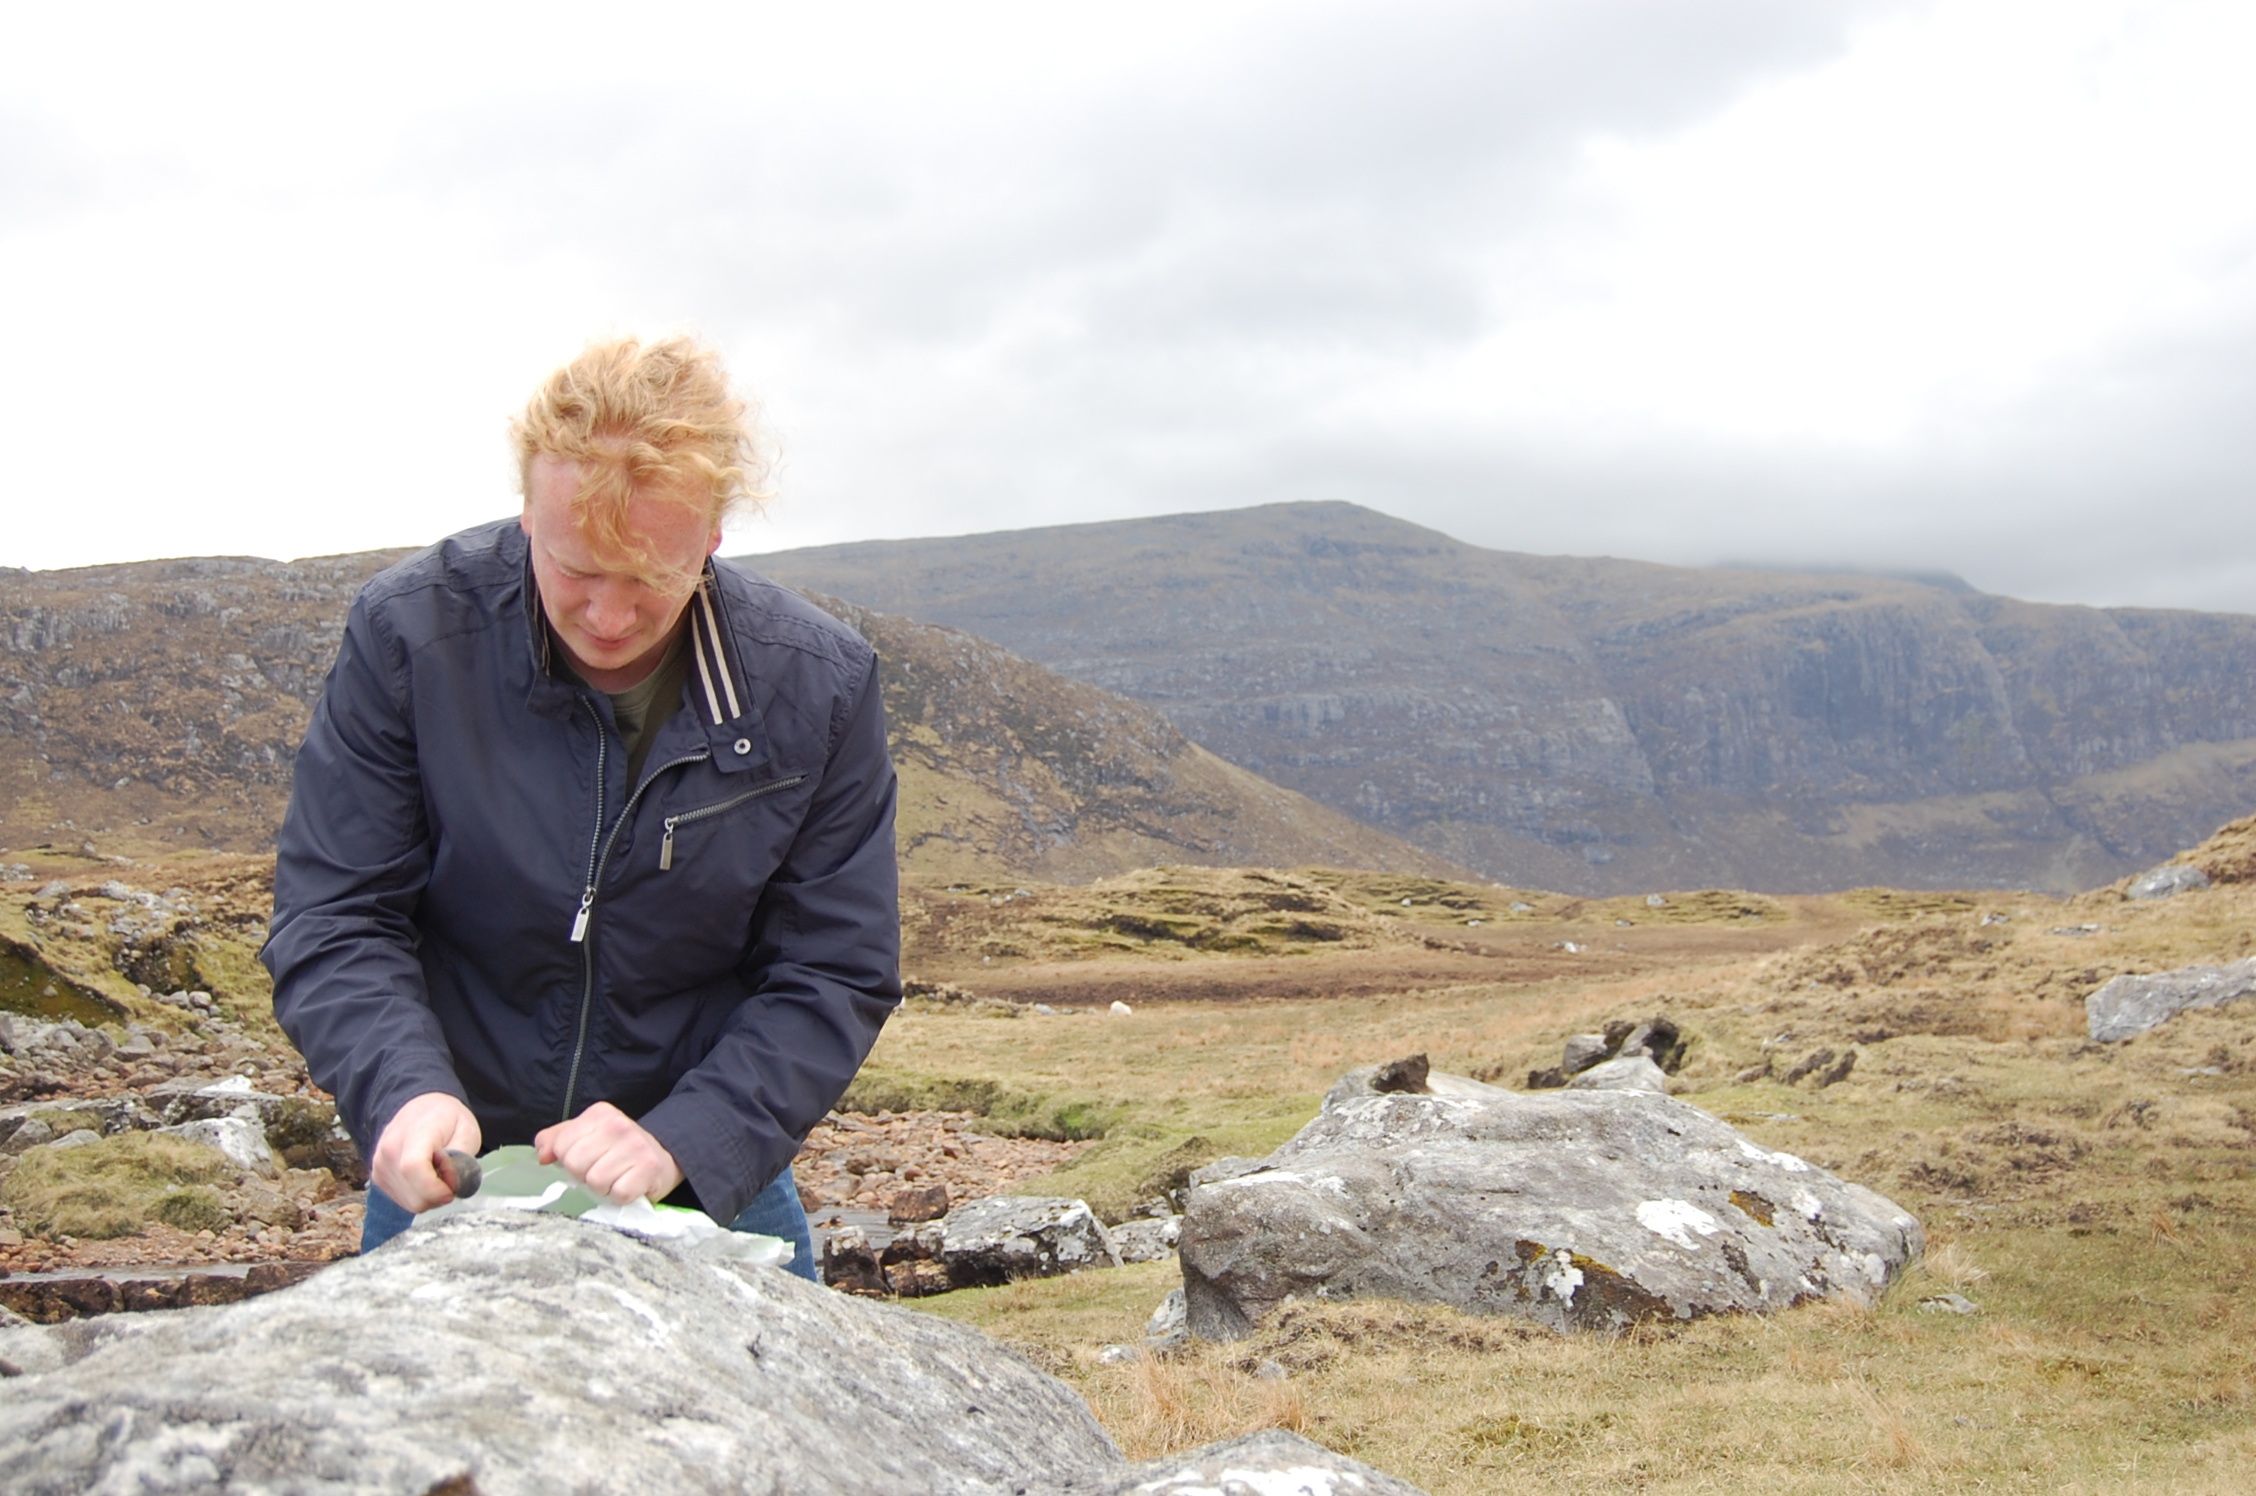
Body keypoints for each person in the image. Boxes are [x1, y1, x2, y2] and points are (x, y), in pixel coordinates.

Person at [262, 335, 900, 1278]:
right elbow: (337, 911)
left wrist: (687, 1136)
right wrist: (402, 1094)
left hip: (703, 1175)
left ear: (713, 536)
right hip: (452, 1170)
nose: (608, 617)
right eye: (576, 567)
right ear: (527, 513)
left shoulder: (820, 688)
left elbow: (834, 968)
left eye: (651, 577)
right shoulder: (409, 635)